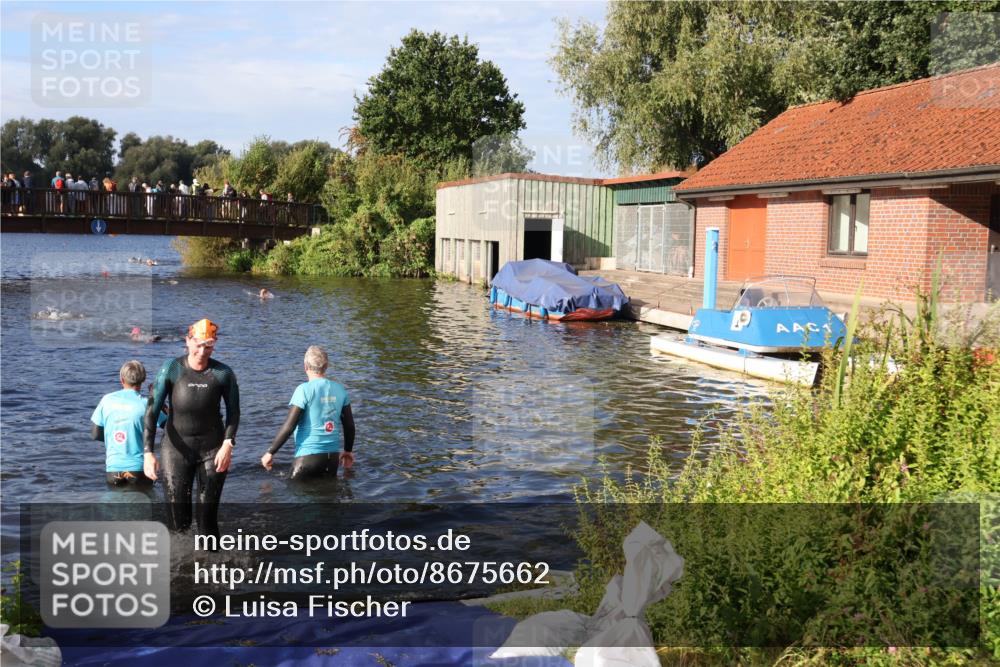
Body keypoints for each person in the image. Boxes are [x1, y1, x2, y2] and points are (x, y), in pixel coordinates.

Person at [143, 319, 239, 538]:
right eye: (198, 344)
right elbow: (151, 411)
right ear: (187, 341)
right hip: (176, 451)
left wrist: (228, 443)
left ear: (215, 344)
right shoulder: (172, 368)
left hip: (213, 450)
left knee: (207, 520)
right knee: (179, 522)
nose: (202, 351)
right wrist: (147, 452)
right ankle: (179, 568)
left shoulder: (223, 373)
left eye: (209, 345)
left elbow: (234, 412)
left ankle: (213, 567)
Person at [261, 346, 354, 480]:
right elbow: (349, 425)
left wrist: (270, 452)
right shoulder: (340, 390)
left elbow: (289, 426)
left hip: (307, 459)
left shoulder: (303, 390)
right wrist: (348, 451)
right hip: (332, 459)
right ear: (326, 366)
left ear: (305, 366)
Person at [92, 361, 164, 489]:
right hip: (139, 469)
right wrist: (161, 404)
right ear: (143, 380)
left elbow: (95, 434)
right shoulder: (146, 403)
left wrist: (114, 440)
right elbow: (168, 425)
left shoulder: (106, 400)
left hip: (113, 469)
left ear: (121, 379)